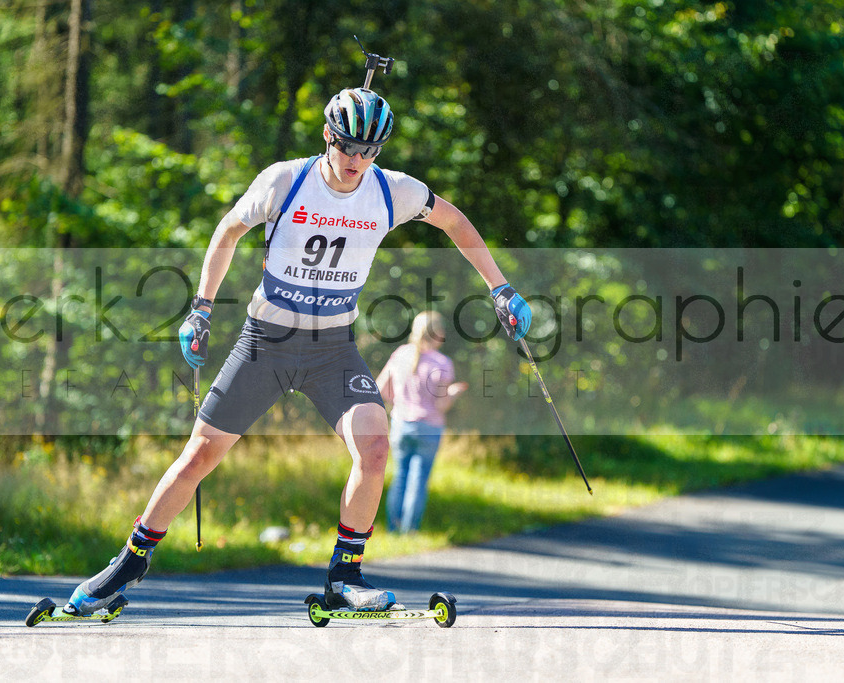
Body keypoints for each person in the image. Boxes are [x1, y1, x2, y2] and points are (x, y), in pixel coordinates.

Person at [61, 86, 532, 615]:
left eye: (371, 150)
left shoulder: (391, 191)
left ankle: (344, 577)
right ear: (329, 137)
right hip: (266, 342)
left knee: (375, 448)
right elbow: (228, 231)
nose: (358, 160)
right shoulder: (286, 180)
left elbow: (455, 222)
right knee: (200, 454)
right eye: (350, 146)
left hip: (333, 348)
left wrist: (500, 288)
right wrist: (201, 308)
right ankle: (128, 564)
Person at [377, 311, 468, 534]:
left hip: (400, 423)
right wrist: (454, 393)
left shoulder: (400, 354)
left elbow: (381, 390)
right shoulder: (442, 363)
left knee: (400, 476)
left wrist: (400, 399)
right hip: (429, 427)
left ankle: (393, 530)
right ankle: (409, 532)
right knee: (418, 481)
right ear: (437, 333)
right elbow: (441, 405)